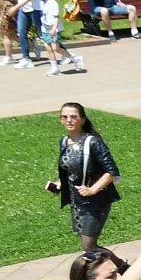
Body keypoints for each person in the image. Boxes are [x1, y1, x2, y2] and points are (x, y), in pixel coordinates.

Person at [47, 101, 119, 250]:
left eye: (73, 116)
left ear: (82, 119)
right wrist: (59, 184)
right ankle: (119, 269)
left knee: (89, 246)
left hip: (96, 202)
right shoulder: (64, 142)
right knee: (89, 247)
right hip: (77, 202)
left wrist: (93, 189)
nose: (69, 120)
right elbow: (69, 169)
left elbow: (111, 171)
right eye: (64, 117)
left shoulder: (93, 143)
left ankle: (122, 268)